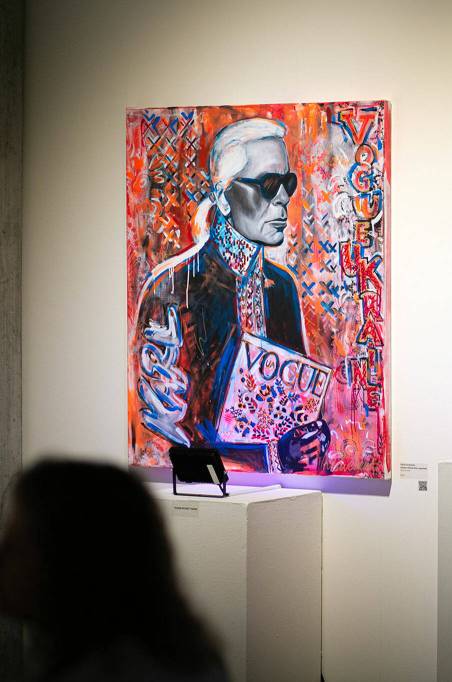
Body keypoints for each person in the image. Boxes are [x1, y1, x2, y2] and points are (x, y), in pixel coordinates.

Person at [133, 117, 329, 474]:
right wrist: (270, 458)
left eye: (288, 183)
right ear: (223, 197)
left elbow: (298, 406)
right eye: (269, 184)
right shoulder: (173, 290)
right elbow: (161, 444)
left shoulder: (282, 288)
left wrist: (310, 438)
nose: (284, 199)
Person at [0, 460, 227, 681]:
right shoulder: (181, 661)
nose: (3, 557)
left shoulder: (110, 670)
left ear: (72, 562)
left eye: (16, 546)